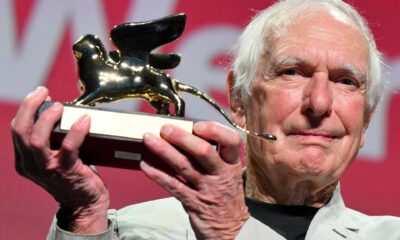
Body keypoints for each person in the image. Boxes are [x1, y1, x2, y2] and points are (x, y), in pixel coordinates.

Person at [11, 0, 400, 239]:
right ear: (239, 98)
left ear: (366, 120)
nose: (319, 102)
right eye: (292, 72)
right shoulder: (130, 231)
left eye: (347, 81)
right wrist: (82, 215)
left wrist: (232, 230)